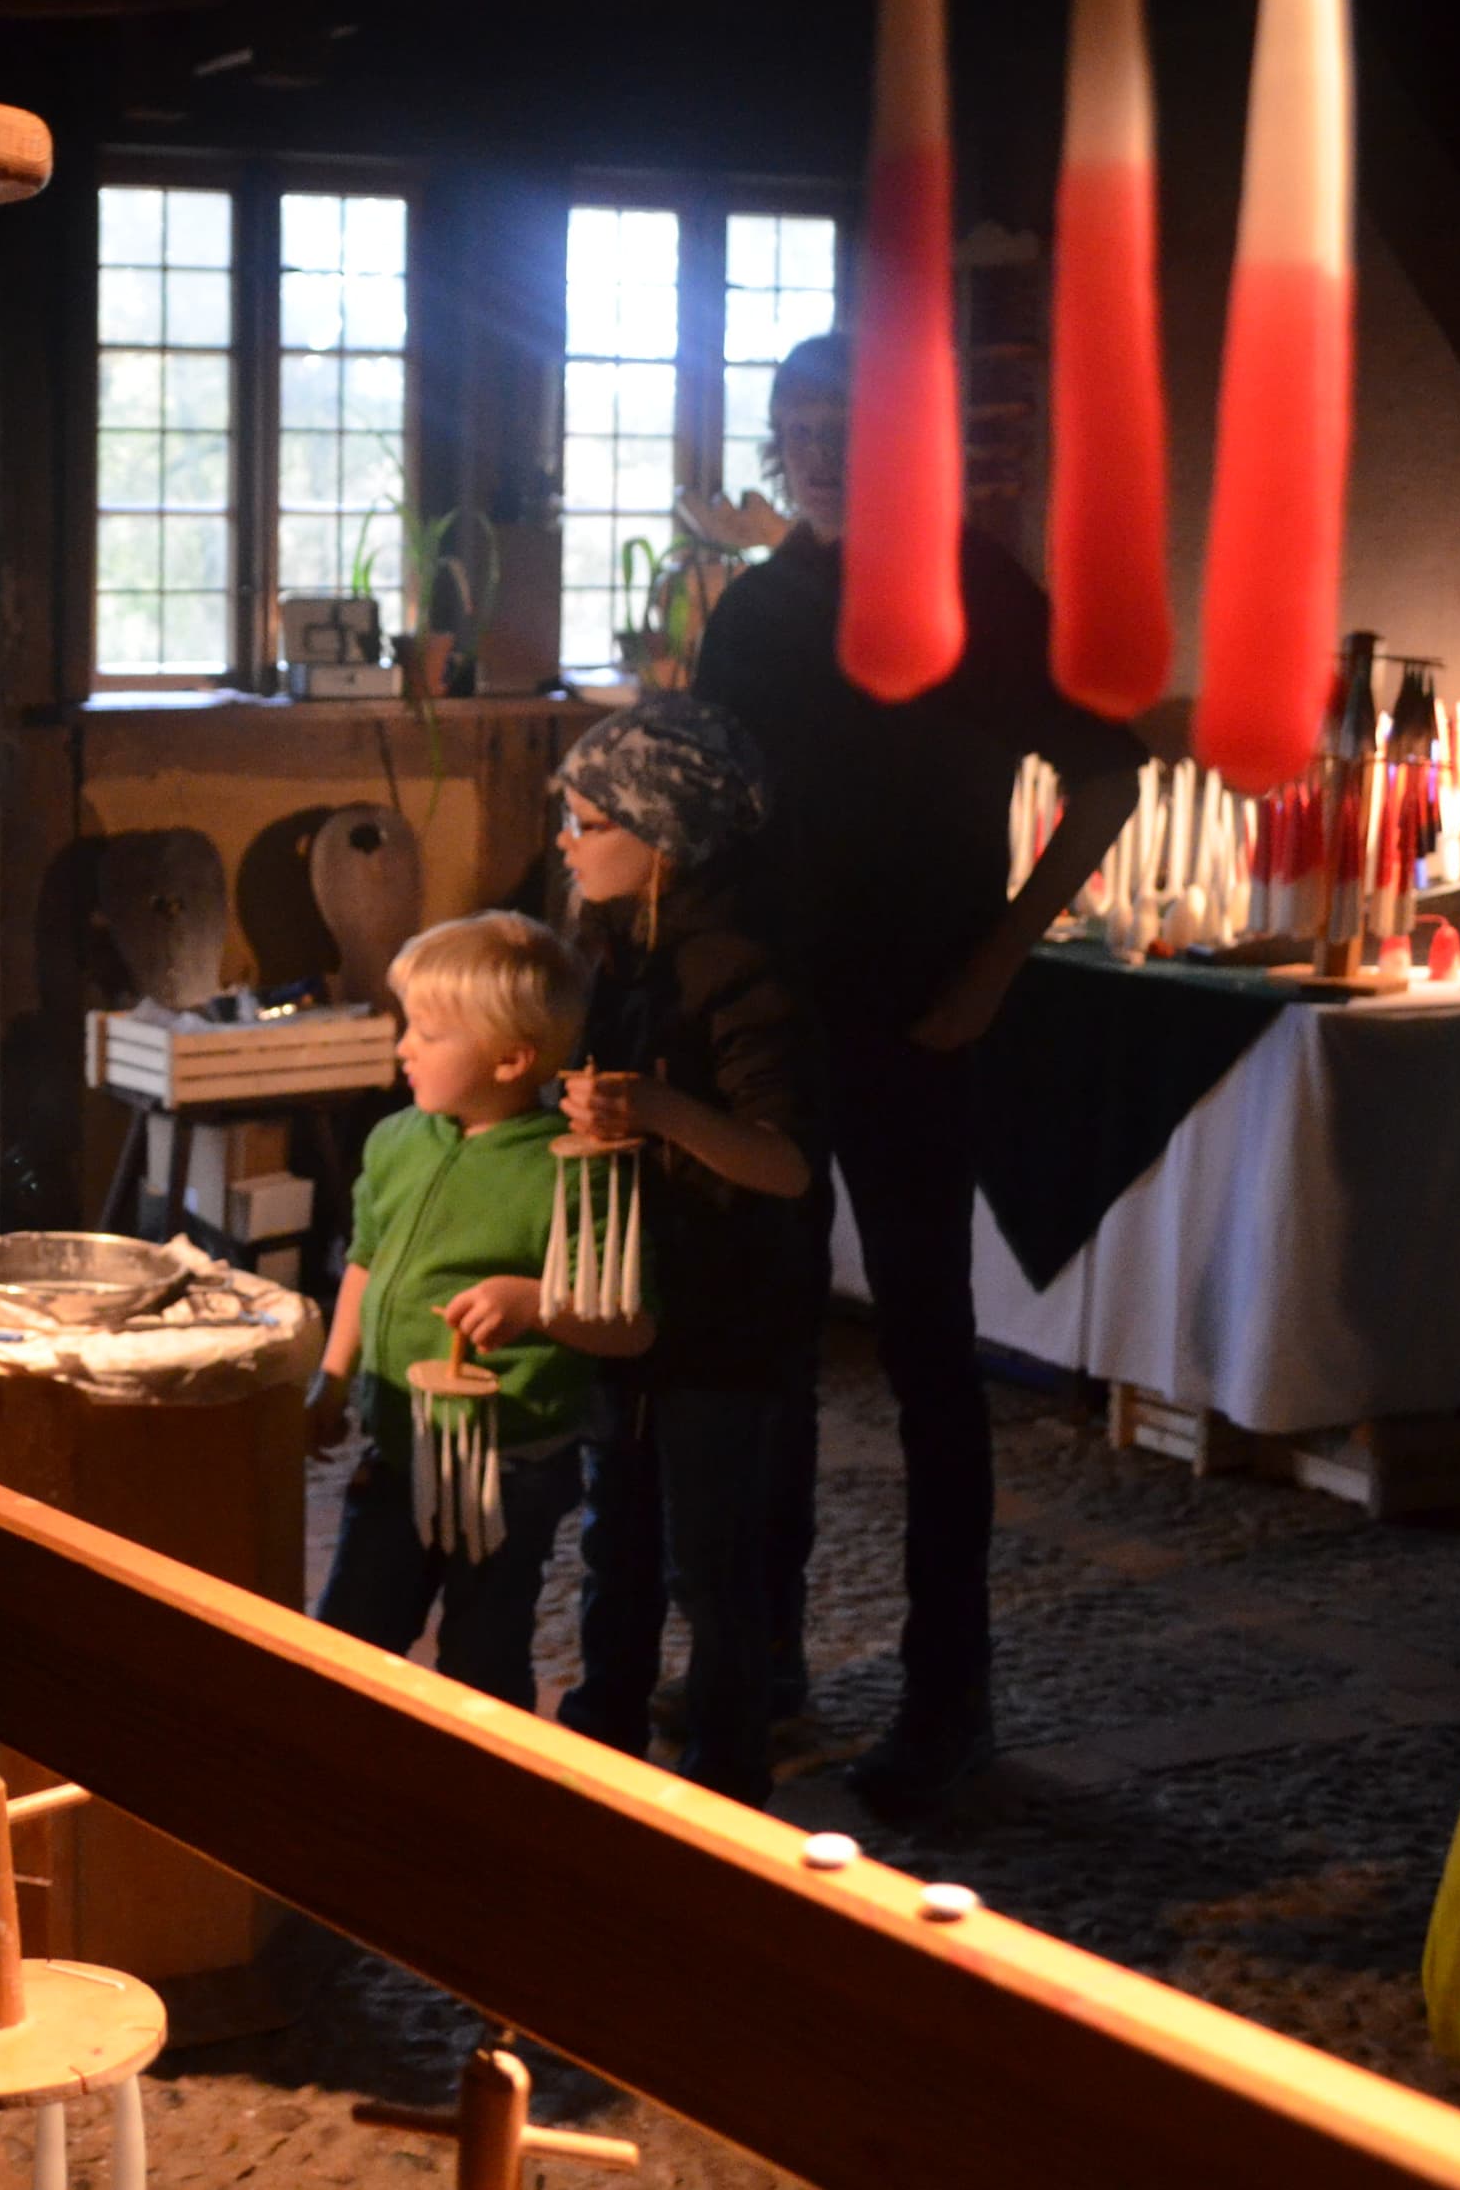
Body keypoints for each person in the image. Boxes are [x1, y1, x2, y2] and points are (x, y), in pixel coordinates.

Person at [690, 330, 1144, 1819]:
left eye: (848, 421)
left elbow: (1111, 771)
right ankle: (763, 1653)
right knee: (763, 1344)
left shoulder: (974, 587)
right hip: (766, 1018)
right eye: (797, 421)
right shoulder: (754, 610)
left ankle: (953, 1691)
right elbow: (713, 805)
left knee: (928, 1358)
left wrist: (1002, 959)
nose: (820, 443)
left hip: (920, 1018)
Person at [535, 697, 822, 1808]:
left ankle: (724, 1767)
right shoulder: (613, 952)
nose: (567, 838)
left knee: (715, 1555)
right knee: (617, 1529)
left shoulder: (745, 971)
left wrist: (655, 1103)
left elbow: (786, 1160)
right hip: (635, 1296)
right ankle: (604, 1725)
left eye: (589, 819)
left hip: (728, 1308)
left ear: (664, 835)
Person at [303, 912, 642, 1710]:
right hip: (398, 1441)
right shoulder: (394, 1140)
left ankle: (481, 1793)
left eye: (427, 1031)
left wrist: (539, 1302)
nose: (403, 1047)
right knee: (350, 1634)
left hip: (511, 1463)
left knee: (484, 1652)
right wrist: (332, 1375)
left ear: (511, 1058)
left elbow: (633, 1323)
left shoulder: (571, 1172)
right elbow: (365, 1258)